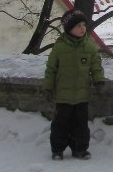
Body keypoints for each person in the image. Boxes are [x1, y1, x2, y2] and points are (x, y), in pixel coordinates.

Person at [44, 9, 106, 160]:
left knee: (81, 124)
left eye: (84, 25)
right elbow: (51, 69)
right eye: (78, 25)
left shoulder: (89, 46)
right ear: (69, 28)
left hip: (82, 95)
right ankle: (58, 149)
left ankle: (80, 149)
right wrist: (48, 87)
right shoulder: (59, 47)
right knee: (60, 124)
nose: (82, 28)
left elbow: (96, 65)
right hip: (63, 95)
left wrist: (99, 80)